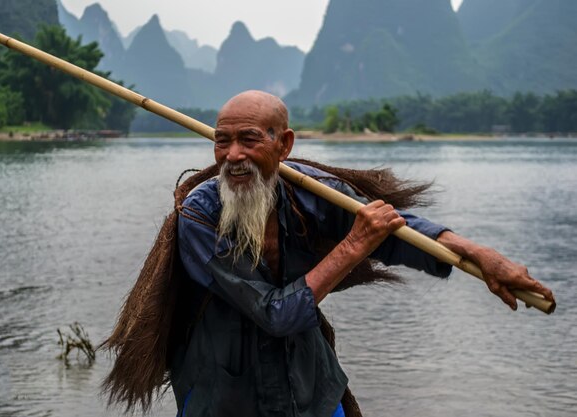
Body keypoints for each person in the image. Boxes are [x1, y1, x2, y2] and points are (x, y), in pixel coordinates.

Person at [102, 90, 554, 417]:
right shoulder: (200, 215)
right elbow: (274, 313)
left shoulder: (310, 193)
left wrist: (479, 254)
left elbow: (393, 227)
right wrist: (356, 244)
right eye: (223, 140)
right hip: (224, 396)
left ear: (285, 144)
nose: (232, 155)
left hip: (310, 389)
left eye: (250, 139)